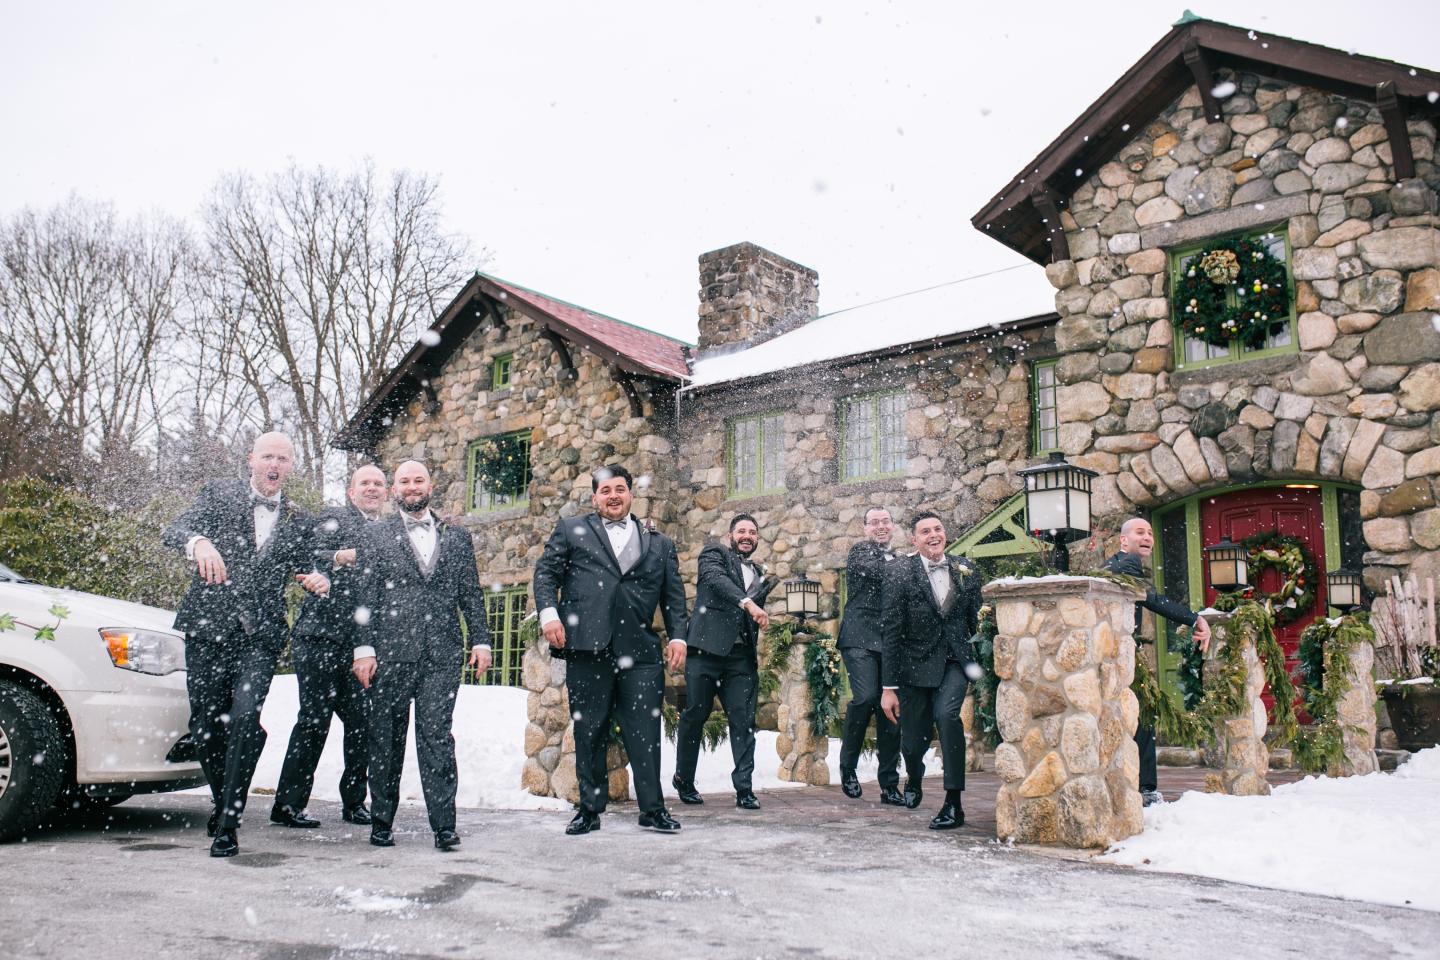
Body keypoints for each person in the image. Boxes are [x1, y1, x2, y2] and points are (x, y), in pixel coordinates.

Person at [163, 431, 329, 857]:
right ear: (251, 459)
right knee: (204, 726)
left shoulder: (299, 519)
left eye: (283, 459)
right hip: (208, 627)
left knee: (242, 717)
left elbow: (310, 565)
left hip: (261, 635)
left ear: (291, 467)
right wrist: (198, 542)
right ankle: (223, 802)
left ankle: (229, 825)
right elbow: (175, 528)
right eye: (268, 456)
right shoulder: (219, 494)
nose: (275, 465)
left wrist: (319, 578)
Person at [533, 464, 689, 836]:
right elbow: (545, 574)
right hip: (588, 649)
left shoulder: (660, 543)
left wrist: (679, 637)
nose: (613, 496)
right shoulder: (572, 530)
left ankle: (652, 809)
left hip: (640, 653)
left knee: (645, 733)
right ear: (594, 498)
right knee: (589, 732)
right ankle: (589, 809)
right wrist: (549, 614)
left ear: (631, 494)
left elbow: (674, 598)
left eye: (620, 489)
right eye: (606, 491)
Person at [351, 460, 492, 851]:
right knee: (386, 740)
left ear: (430, 485)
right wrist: (364, 649)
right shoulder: (376, 535)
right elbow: (365, 597)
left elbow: (471, 594)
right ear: (395, 489)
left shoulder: (457, 537)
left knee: (437, 738)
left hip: (442, 654)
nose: (412, 487)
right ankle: (381, 821)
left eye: (418, 480)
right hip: (390, 654)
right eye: (404, 481)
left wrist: (481, 640)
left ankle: (444, 826)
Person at [269, 464, 386, 829]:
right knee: (314, 720)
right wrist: (338, 557)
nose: (372, 488)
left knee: (363, 723)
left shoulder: (387, 533)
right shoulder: (333, 518)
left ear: (386, 493)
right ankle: (287, 805)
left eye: (378, 484)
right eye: (364, 483)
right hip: (319, 637)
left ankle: (354, 803)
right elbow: (309, 553)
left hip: (361, 645)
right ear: (351, 493)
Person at [879, 511, 982, 830]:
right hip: (913, 667)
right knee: (912, 741)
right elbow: (892, 630)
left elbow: (977, 620)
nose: (933, 534)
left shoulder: (966, 569)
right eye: (925, 531)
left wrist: (979, 661)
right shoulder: (898, 571)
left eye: (938, 528)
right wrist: (888, 687)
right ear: (914, 540)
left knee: (948, 717)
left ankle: (954, 803)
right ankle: (914, 776)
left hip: (954, 661)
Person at [1103, 517, 1211, 807]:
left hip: (1116, 655)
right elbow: (1152, 599)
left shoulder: (1114, 566)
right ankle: (1146, 790)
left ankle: (1139, 785)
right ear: (1124, 541)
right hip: (1120, 657)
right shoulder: (1126, 565)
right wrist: (1194, 618)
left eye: (1150, 532)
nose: (1147, 536)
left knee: (1137, 720)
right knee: (1143, 719)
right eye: (1140, 532)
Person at [673, 514, 775, 810]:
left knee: (744, 721)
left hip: (740, 659)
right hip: (705, 651)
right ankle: (684, 778)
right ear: (731, 535)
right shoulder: (713, 553)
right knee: (695, 714)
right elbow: (715, 581)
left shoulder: (758, 572)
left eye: (752, 532)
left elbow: (753, 615)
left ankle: (744, 788)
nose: (747, 535)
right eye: (741, 531)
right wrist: (747, 603)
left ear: (757, 539)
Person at [836, 507, 903, 804]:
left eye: (885, 521)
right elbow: (878, 572)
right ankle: (847, 767)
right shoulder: (860, 552)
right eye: (874, 522)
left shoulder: (899, 560)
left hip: (890, 642)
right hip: (860, 637)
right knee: (865, 698)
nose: (880, 526)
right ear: (865, 528)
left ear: (893, 526)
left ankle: (889, 785)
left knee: (891, 710)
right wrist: (912, 564)